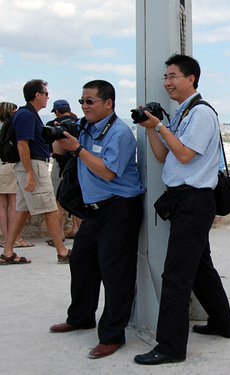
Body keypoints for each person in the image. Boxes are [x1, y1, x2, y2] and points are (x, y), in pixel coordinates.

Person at [134, 54, 230, 365]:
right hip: (184, 200)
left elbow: (187, 155)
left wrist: (161, 126)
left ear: (191, 79)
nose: (167, 82)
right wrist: (151, 126)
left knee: (176, 276)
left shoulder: (200, 113)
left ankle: (170, 347)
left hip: (193, 201)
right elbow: (164, 156)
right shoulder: (183, 113)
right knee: (201, 267)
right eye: (165, 76)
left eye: (173, 76)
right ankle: (222, 323)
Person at [49, 80, 145, 359]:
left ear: (108, 104)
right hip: (92, 211)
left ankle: (112, 335)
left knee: (115, 273)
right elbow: (57, 150)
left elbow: (108, 173)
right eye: (81, 101)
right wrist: (61, 134)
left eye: (90, 101)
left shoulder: (119, 133)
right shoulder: (85, 127)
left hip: (118, 209)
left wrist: (78, 148)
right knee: (81, 262)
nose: (84, 106)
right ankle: (80, 316)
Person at [1, 80, 70, 265]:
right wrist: (31, 174)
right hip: (34, 166)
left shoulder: (27, 114)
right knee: (50, 209)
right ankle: (62, 252)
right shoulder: (26, 116)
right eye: (46, 93)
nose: (48, 97)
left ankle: (8, 252)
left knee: (21, 210)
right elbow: (22, 145)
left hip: (30, 166)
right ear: (37, 95)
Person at [46, 99, 81, 245]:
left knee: (58, 202)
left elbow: (51, 149)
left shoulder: (52, 126)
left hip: (60, 166)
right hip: (76, 164)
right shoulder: (78, 123)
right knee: (78, 199)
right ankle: (77, 231)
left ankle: (59, 235)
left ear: (57, 112)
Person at [0, 102, 34, 250]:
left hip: (0, 166)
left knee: (2, 206)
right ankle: (16, 239)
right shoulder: (11, 126)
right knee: (16, 204)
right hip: (10, 165)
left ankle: (6, 238)